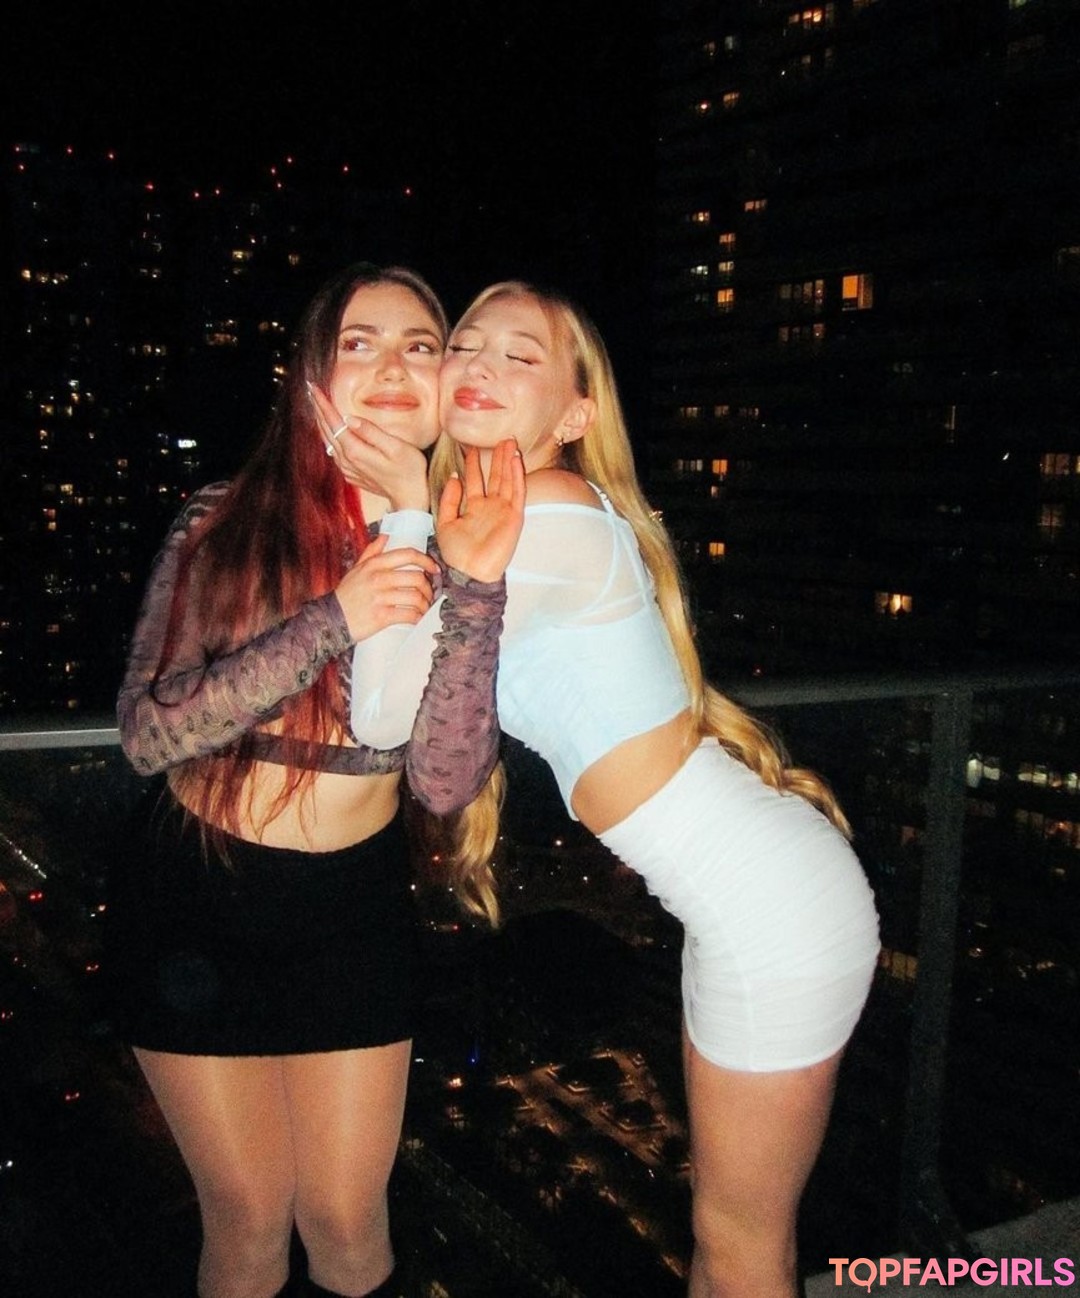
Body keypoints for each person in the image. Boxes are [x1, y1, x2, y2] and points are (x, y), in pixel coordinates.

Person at [350, 281, 881, 1298]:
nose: (481, 366)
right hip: (749, 901)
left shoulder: (549, 512)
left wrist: (404, 510)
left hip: (770, 908)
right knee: (727, 1238)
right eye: (466, 344)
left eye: (521, 355)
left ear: (575, 413)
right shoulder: (500, 521)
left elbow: (381, 713)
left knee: (741, 1246)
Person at [108, 262, 522, 1298]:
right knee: (247, 1223)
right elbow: (149, 733)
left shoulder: (474, 537)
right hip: (197, 897)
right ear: (311, 378)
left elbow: (444, 780)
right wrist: (337, 615)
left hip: (352, 911)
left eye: (420, 345)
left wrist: (450, 559)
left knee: (346, 1221)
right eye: (359, 343)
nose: (393, 368)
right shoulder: (224, 519)